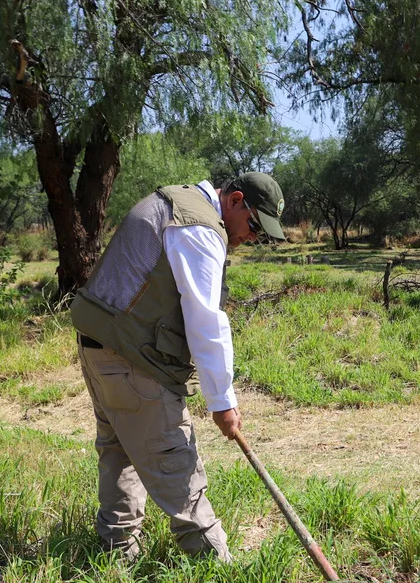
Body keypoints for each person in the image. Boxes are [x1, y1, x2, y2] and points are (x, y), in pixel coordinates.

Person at [69, 172, 286, 563]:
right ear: (235, 201)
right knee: (175, 464)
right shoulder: (200, 229)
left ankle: (116, 556)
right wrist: (222, 402)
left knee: (120, 450)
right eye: (255, 226)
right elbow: (206, 321)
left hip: (99, 346)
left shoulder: (176, 203)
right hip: (132, 359)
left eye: (262, 234)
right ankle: (216, 567)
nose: (253, 238)